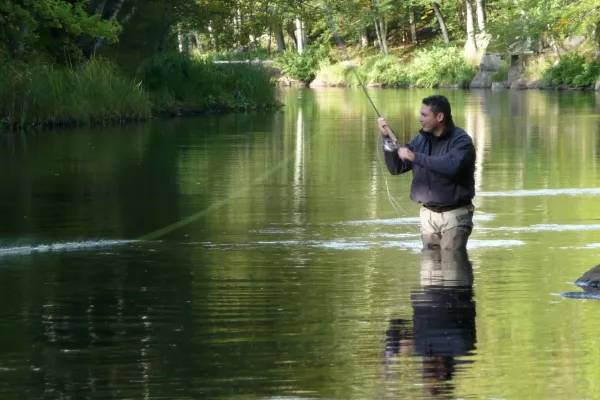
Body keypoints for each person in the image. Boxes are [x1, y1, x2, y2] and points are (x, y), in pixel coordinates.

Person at [378, 95, 476, 251]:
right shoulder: (420, 141)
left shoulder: (461, 141)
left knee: (452, 269)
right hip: (427, 217)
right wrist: (387, 139)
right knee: (429, 272)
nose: (419, 119)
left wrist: (415, 157)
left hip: (455, 216)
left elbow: (452, 166)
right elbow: (396, 168)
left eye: (424, 115)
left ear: (439, 117)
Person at [383, 249, 477, 398]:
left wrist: (390, 357)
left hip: (448, 283)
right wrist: (390, 358)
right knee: (448, 247)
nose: (423, 368)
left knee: (437, 247)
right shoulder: (421, 347)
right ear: (441, 374)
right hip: (443, 285)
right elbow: (394, 328)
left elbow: (394, 329)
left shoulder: (462, 351)